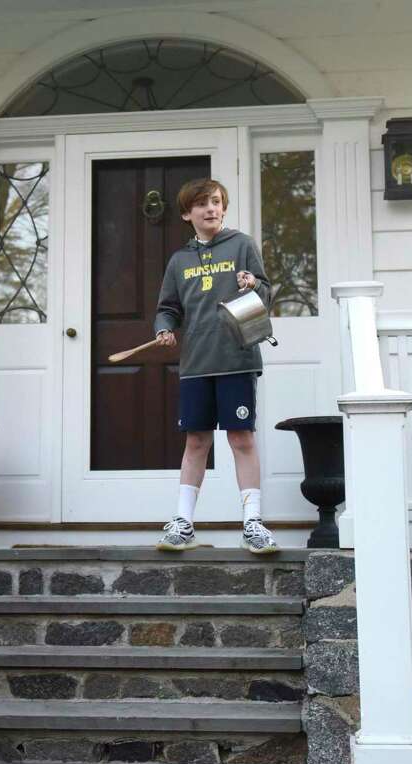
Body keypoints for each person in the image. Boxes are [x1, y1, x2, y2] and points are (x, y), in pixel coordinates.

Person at [152, 178, 278, 554]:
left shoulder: (242, 245)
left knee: (241, 438)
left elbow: (266, 294)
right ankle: (183, 523)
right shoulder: (179, 260)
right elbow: (168, 308)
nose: (212, 209)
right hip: (196, 365)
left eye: (217, 202)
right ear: (187, 213)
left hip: (237, 359)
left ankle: (253, 522)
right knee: (196, 440)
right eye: (203, 204)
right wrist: (164, 329)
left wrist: (252, 282)